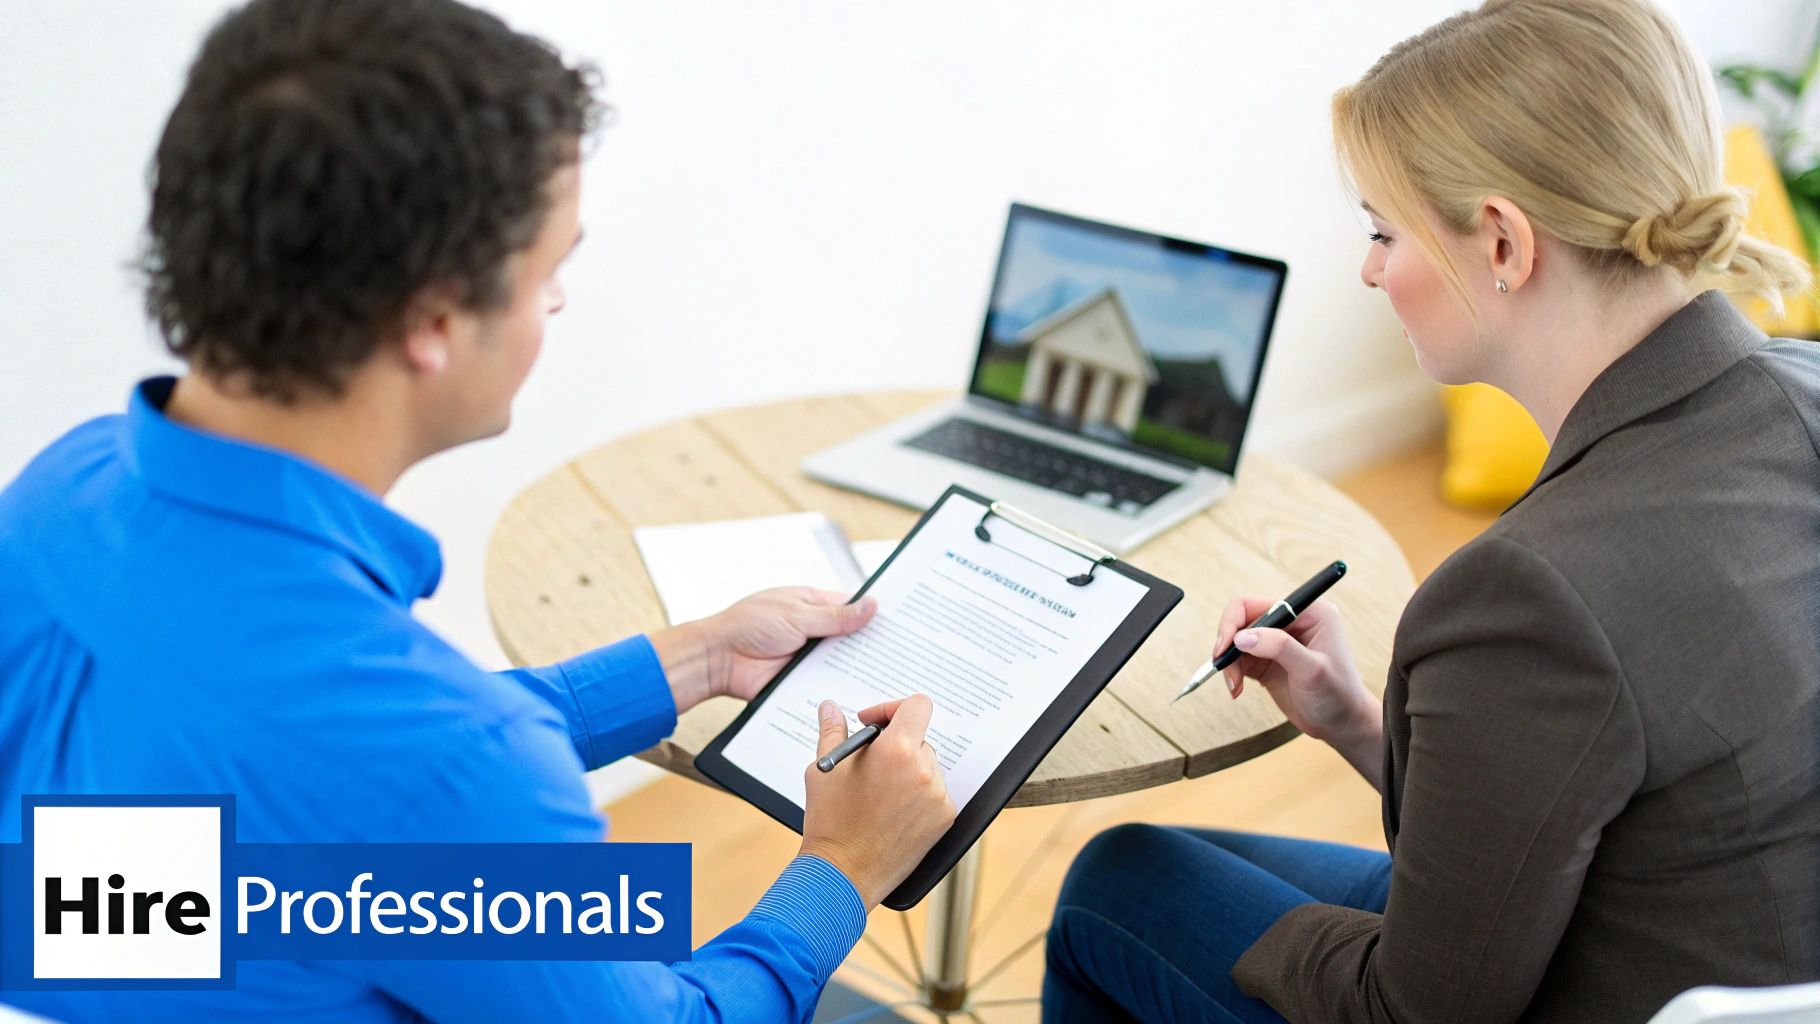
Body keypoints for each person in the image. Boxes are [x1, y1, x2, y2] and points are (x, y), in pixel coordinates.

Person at [0, 0, 955, 1020]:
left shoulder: (61, 493)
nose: (554, 306)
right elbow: (421, 781)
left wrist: (700, 660)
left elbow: (336, 801)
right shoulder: (446, 764)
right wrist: (843, 866)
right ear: (434, 318)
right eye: (548, 271)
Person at [1042, 0, 1820, 1021]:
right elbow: (1593, 781)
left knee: (1115, 883)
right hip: (1740, 955)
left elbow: (1410, 1010)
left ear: (1499, 240)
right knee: (1157, 867)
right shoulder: (1800, 391)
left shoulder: (1529, 593)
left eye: (1380, 231)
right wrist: (1356, 723)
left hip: (1597, 987)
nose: (1368, 268)